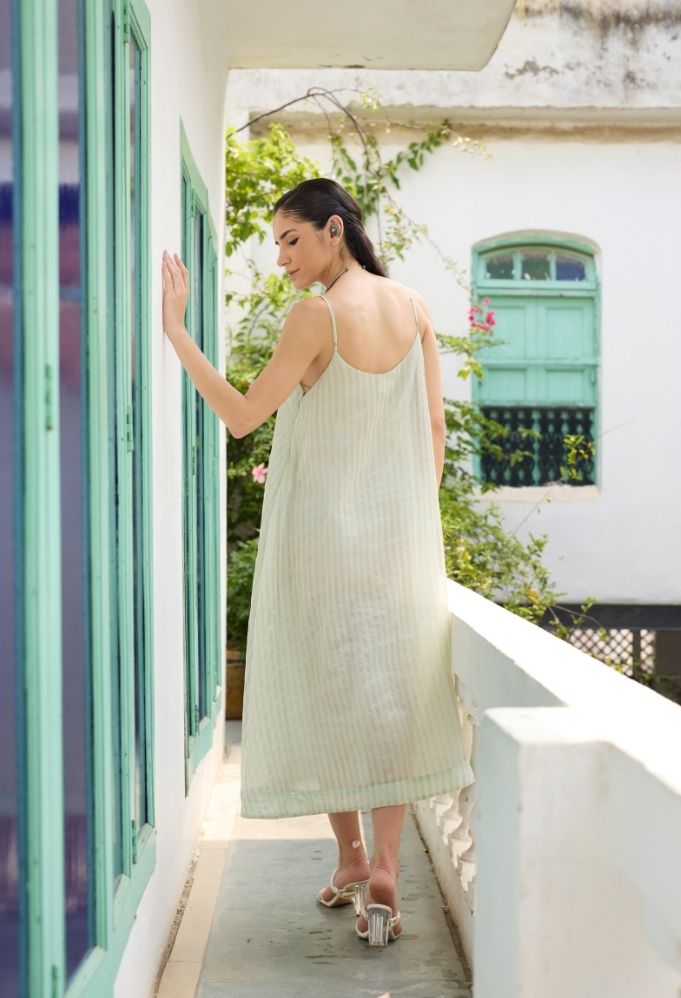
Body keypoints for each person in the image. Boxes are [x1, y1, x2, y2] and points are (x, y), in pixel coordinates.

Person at [161, 177, 475, 948]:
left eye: (291, 240)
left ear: (335, 230)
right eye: (277, 244)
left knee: (332, 696)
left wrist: (176, 332)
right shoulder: (414, 307)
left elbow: (242, 417)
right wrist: (405, 520)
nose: (282, 258)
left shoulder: (316, 317)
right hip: (399, 548)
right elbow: (433, 429)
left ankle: (351, 856)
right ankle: (381, 872)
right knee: (393, 703)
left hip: (321, 549)